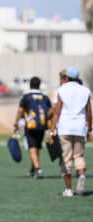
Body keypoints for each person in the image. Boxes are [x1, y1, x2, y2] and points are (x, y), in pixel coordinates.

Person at [48, 66, 92, 197]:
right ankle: (82, 174)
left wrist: (52, 130)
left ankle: (68, 189)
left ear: (66, 77)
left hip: (65, 127)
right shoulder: (85, 90)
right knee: (79, 155)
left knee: (66, 158)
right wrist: (89, 128)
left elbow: (57, 111)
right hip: (80, 127)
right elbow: (89, 112)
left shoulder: (62, 90)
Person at [13, 76, 52, 179]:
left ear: (30, 85)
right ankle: (33, 169)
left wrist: (15, 124)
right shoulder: (45, 97)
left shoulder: (26, 97)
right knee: (36, 147)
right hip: (42, 126)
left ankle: (38, 168)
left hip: (31, 126)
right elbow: (50, 111)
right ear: (39, 85)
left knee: (32, 147)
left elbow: (20, 111)